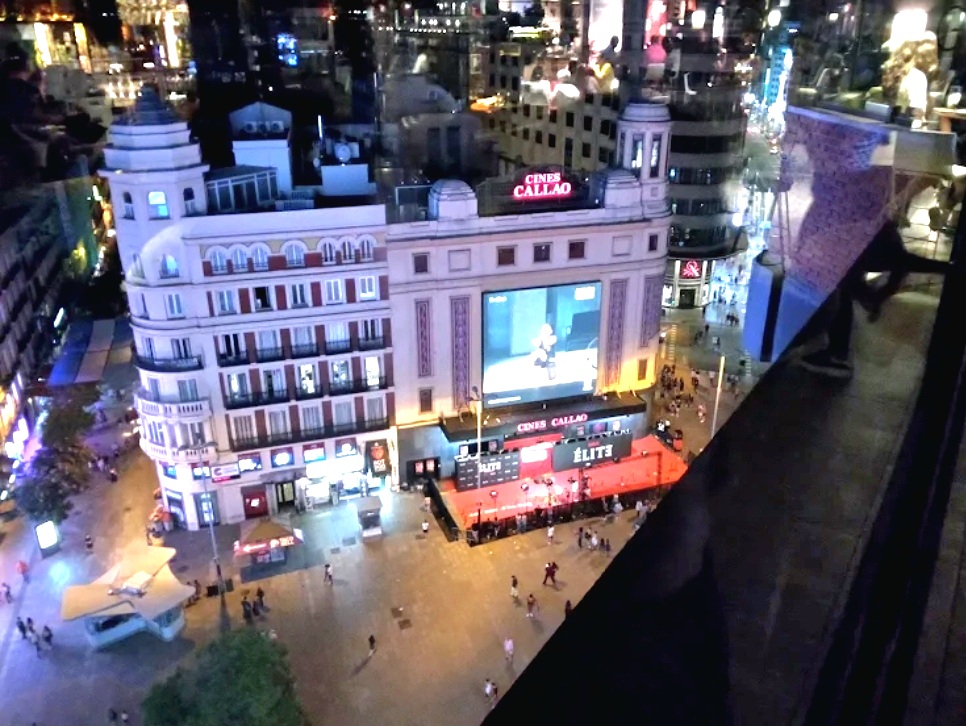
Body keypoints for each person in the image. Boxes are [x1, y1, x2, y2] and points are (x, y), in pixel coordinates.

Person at [799, 219, 951, 378]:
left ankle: (838, 355)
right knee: (844, 285)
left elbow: (902, 264)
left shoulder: (873, 245)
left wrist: (878, 296)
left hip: (850, 244)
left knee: (842, 287)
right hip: (853, 243)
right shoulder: (880, 242)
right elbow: (903, 263)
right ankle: (837, 352)